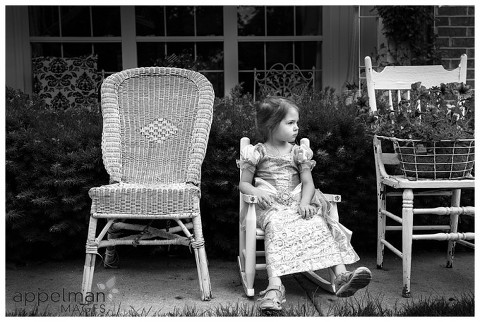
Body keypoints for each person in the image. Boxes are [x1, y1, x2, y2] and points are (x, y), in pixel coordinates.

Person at [237, 96, 371, 311]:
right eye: (290, 123)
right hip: (269, 207)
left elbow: (308, 182)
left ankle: (341, 276)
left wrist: (306, 202)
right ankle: (274, 287)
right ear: (271, 125)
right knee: (277, 225)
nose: (296, 127)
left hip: (296, 204)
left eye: (297, 122)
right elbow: (244, 184)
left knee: (318, 222)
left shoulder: (299, 152)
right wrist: (255, 191)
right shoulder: (256, 152)